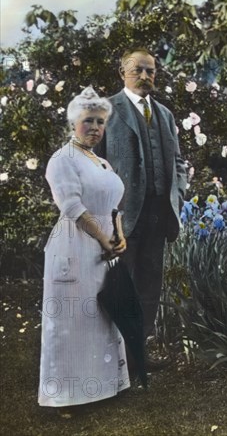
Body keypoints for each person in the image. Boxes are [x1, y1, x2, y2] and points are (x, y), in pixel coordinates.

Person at [39, 86, 129, 414]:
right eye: (87, 121)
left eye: (100, 122)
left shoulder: (101, 162)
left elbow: (114, 205)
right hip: (76, 243)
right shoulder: (63, 160)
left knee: (102, 315)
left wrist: (118, 235)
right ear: (73, 123)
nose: (94, 128)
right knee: (74, 319)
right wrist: (103, 240)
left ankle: (103, 387)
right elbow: (73, 207)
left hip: (104, 246)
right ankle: (68, 395)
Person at [95, 48, 187, 359]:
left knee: (150, 284)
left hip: (159, 214)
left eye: (150, 71)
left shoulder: (164, 113)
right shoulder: (107, 109)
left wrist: (179, 194)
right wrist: (106, 214)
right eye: (138, 71)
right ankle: (113, 355)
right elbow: (93, 163)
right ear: (122, 73)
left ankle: (138, 353)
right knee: (122, 283)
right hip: (122, 215)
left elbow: (177, 162)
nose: (145, 77)